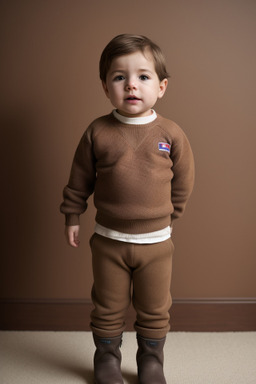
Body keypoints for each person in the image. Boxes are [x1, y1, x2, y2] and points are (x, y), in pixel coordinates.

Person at [60, 34, 195, 384]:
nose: (131, 85)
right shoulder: (98, 132)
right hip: (108, 242)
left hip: (157, 243)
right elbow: (79, 179)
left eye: (143, 77)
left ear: (161, 87)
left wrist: (169, 216)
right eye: (120, 77)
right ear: (106, 88)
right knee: (107, 305)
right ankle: (106, 358)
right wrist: (72, 214)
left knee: (155, 307)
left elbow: (183, 182)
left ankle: (151, 361)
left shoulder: (171, 133)